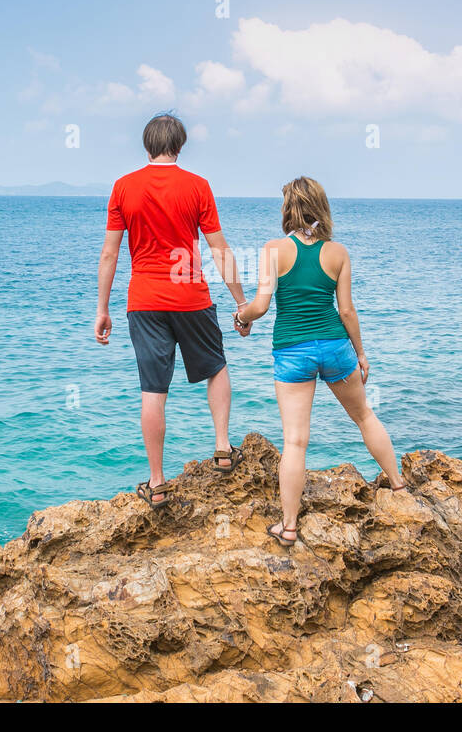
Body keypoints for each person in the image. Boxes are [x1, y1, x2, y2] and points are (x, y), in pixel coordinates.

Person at [233, 176, 405, 547]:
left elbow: (261, 306)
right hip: (335, 347)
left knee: (295, 441)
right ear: (320, 206)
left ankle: (289, 527)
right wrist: (360, 353)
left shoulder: (274, 250)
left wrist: (242, 317)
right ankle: (399, 485)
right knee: (364, 417)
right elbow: (346, 310)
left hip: (293, 352)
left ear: (287, 209)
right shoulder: (338, 253)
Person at [95, 113, 248, 509]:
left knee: (152, 390)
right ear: (179, 145)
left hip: (143, 300)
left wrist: (102, 308)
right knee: (215, 367)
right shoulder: (197, 186)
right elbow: (219, 250)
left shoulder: (123, 187)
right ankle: (222, 448)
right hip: (190, 295)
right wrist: (241, 303)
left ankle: (158, 483)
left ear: (146, 145)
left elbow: (110, 252)